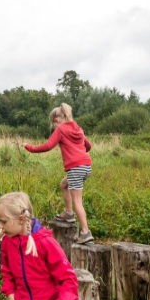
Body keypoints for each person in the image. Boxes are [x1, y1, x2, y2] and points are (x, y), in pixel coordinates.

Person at [23, 103, 94, 244]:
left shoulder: (61, 129)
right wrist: (79, 151)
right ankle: (68, 213)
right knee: (64, 184)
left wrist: (29, 147)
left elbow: (48, 146)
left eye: (53, 124)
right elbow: (89, 146)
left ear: (57, 120)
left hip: (76, 167)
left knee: (78, 201)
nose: (54, 127)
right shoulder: (77, 128)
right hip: (86, 165)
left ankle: (85, 232)